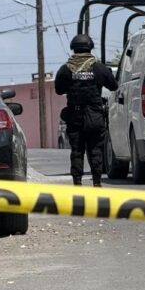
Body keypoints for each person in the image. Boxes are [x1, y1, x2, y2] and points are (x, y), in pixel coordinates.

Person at [55, 34, 118, 187]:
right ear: (90, 48)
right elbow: (114, 86)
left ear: (73, 49)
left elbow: (58, 89)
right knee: (96, 149)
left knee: (77, 151)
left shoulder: (65, 69)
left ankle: (77, 183)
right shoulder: (99, 67)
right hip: (95, 115)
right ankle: (97, 183)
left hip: (75, 116)